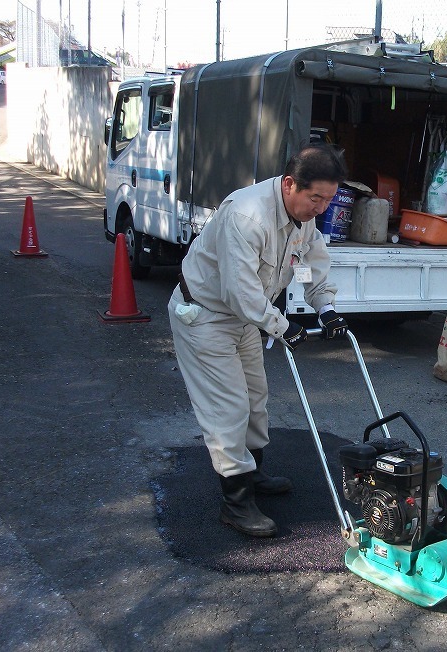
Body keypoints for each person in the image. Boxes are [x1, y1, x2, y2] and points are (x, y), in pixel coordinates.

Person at [168, 144, 349, 538]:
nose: (321, 207)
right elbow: (240, 291)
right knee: (228, 406)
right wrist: (284, 327)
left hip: (246, 318)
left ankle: (254, 470)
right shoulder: (247, 216)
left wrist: (326, 307)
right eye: (315, 197)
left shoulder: (303, 220)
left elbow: (310, 266)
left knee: (255, 398)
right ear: (289, 184)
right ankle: (236, 503)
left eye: (328, 199)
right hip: (206, 314)